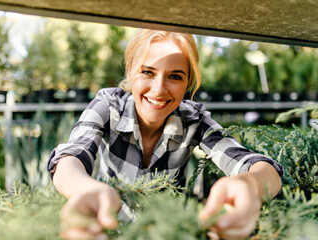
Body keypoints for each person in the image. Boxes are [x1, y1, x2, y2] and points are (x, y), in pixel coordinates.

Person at [48, 29, 283, 240]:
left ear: (188, 82)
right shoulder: (108, 106)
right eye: (148, 72)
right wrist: (86, 190)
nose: (159, 89)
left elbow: (255, 165)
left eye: (175, 76)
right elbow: (72, 156)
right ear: (130, 72)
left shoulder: (194, 119)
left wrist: (249, 185)